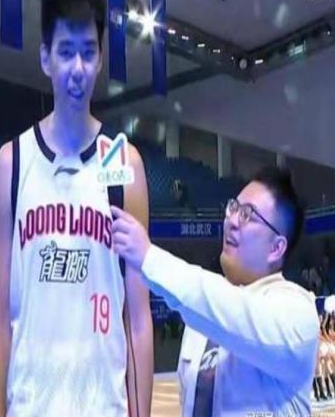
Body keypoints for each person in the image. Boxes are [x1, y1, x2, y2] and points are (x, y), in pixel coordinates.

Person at [0, 0, 153, 416]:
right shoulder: (12, 162)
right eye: (65, 52)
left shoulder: (125, 164)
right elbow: (1, 314)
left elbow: (137, 317)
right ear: (45, 58)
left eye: (88, 52)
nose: (77, 68)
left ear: (100, 59)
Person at [111, 166, 319, 416]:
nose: (232, 221)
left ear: (276, 248)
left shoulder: (297, 314)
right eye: (233, 207)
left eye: (248, 215)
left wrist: (149, 258)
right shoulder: (199, 324)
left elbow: (233, 310)